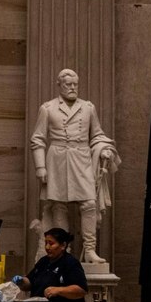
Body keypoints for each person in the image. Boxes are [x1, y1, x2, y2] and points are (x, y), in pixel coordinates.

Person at [30, 69, 121, 265]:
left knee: (89, 203)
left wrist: (103, 149)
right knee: (59, 206)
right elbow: (37, 139)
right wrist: (40, 167)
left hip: (81, 159)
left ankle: (89, 250)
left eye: (75, 84)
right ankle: (64, 250)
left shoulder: (88, 108)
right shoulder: (48, 108)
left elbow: (96, 134)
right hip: (57, 160)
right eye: (68, 84)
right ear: (59, 85)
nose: (72, 88)